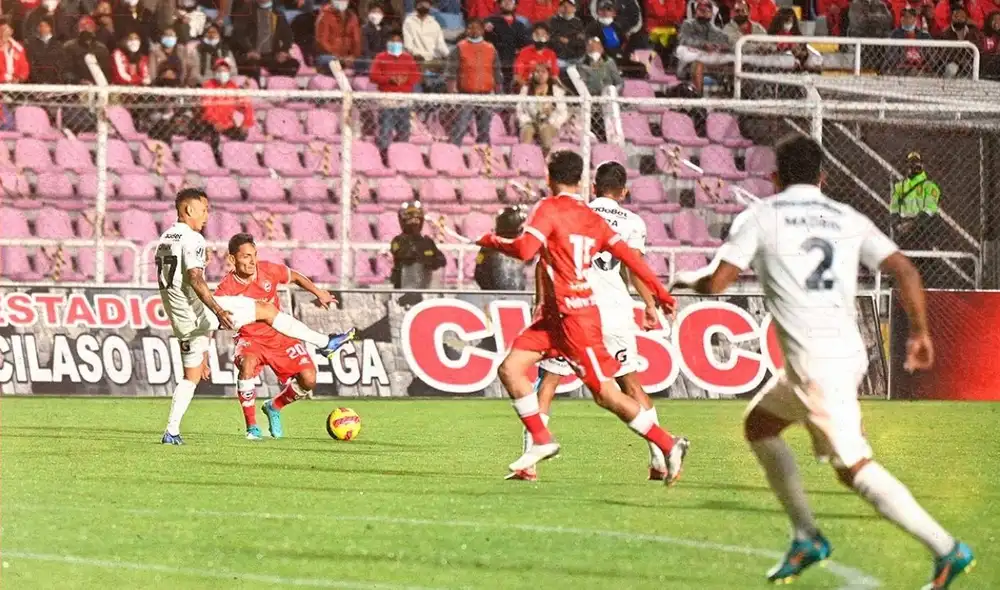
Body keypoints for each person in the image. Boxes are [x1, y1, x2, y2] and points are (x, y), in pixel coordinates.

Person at [671, 134, 975, 588]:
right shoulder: (845, 216)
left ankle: (947, 549)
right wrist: (921, 332)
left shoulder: (762, 215)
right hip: (841, 352)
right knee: (760, 425)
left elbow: (717, 284)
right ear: (823, 176)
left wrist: (682, 280)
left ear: (774, 177)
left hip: (816, 363)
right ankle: (806, 536)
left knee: (853, 468)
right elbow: (906, 271)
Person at [475, 151, 678, 475]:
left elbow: (530, 253)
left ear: (549, 178)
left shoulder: (551, 209)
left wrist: (492, 240)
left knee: (601, 393)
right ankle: (541, 442)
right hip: (579, 314)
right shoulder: (600, 219)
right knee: (513, 368)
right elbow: (632, 260)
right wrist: (660, 296)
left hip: (577, 316)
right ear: (583, 181)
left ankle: (668, 444)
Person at [155, 188, 357, 444]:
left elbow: (177, 278)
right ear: (189, 210)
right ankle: (324, 342)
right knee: (265, 309)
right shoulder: (193, 238)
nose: (207, 215)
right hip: (199, 311)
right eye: (204, 209)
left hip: (180, 319)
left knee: (191, 377)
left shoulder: (165, 238)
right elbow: (195, 278)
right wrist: (217, 310)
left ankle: (171, 431)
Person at [215, 233, 346, 440]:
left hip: (280, 334)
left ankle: (273, 407)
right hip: (250, 339)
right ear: (232, 259)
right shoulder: (225, 289)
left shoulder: (267, 270)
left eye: (254, 255)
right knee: (247, 364)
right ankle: (252, 428)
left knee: (309, 379)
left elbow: (294, 276)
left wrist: (318, 292)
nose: (252, 261)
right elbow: (215, 320)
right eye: (246, 256)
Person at [446, 19, 502, 146]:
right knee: (460, 127)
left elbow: (497, 72)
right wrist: (451, 93)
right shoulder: (459, 48)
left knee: (484, 130)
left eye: (477, 28)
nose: (474, 30)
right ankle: (454, 154)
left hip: (486, 94)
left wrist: (499, 93)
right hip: (465, 94)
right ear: (467, 30)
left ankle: (483, 157)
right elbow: (450, 72)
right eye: (471, 27)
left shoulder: (491, 48)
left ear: (482, 30)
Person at [369, 29, 421, 152]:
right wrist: (390, 79)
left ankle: (400, 153)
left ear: (402, 43)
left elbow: (416, 76)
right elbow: (373, 76)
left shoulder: (408, 58)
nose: (395, 43)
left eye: (398, 41)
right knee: (386, 129)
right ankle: (384, 154)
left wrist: (405, 79)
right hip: (387, 100)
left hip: (404, 100)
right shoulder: (380, 57)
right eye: (392, 41)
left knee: (404, 130)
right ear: (387, 42)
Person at [232, 0, 300, 81]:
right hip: (253, 55)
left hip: (272, 55)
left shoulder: (278, 13)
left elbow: (288, 35)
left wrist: (284, 51)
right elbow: (239, 34)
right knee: (252, 65)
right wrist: (249, 50)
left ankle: (280, 89)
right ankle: (257, 91)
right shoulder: (245, 11)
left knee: (292, 65)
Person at [390, 201, 447, 288]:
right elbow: (405, 256)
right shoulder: (397, 241)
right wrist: (425, 259)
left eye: (416, 219)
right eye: (410, 220)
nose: (414, 224)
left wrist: (431, 262)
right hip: (404, 289)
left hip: (426, 289)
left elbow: (441, 260)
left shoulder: (427, 242)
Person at [890, 151, 941, 249]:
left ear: (922, 165)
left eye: (917, 162)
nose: (914, 165)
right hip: (903, 233)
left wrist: (912, 225)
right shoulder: (899, 187)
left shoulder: (930, 186)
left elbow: (929, 210)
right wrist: (897, 225)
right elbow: (893, 209)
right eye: (911, 163)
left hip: (923, 232)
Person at [474, 205, 530, 291]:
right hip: (516, 298)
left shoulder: (485, 247)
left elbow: (478, 272)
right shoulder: (521, 247)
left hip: (497, 298)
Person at [515, 63, 567, 153]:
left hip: (549, 123)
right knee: (527, 133)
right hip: (530, 122)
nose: (540, 74)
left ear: (548, 74)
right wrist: (527, 120)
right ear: (533, 74)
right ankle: (525, 162)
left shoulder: (556, 91)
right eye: (537, 72)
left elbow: (563, 112)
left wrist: (551, 121)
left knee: (545, 132)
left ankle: (544, 161)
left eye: (543, 72)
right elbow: (519, 110)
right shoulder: (526, 89)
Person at [315, 0, 362, 70]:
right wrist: (338, 57)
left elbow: (357, 40)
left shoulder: (353, 17)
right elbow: (322, 41)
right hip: (330, 58)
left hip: (349, 59)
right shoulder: (325, 16)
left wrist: (353, 56)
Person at [512, 21, 558, 87]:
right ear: (532, 36)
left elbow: (554, 76)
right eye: (537, 34)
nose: (539, 37)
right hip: (527, 87)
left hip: (546, 89)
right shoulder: (524, 52)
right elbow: (517, 76)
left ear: (547, 37)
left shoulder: (551, 54)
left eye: (542, 34)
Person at [27, 16, 68, 83]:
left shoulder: (58, 45)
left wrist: (53, 80)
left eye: (46, 26)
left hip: (55, 82)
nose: (43, 29)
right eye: (41, 26)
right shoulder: (32, 45)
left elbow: (61, 64)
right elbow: (31, 65)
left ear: (50, 27)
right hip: (36, 83)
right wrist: (38, 80)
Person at [548, 0, 585, 66]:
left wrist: (568, 41)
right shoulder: (553, 21)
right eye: (564, 6)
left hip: (577, 58)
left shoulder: (578, 22)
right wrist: (559, 39)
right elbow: (550, 38)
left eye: (569, 6)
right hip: (560, 59)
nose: (566, 9)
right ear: (559, 8)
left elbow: (582, 41)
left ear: (574, 8)